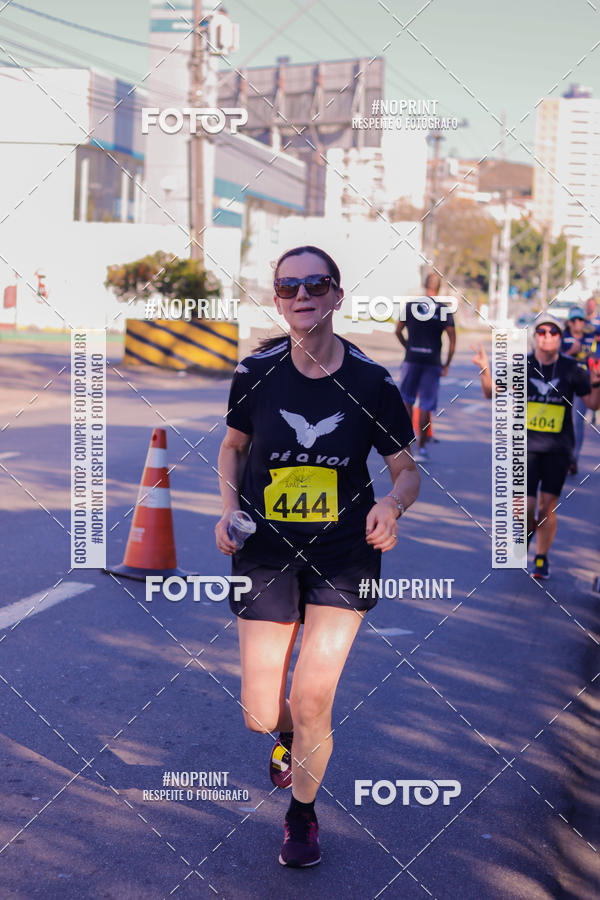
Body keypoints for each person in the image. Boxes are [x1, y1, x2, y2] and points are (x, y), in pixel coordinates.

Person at [215, 245, 420, 868]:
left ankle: (301, 816)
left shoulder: (370, 382)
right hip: (266, 549)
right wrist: (227, 508)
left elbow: (406, 471)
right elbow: (232, 447)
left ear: (335, 295)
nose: (301, 295)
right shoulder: (255, 373)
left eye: (316, 284)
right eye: (287, 286)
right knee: (260, 712)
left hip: (342, 552)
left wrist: (392, 507)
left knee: (312, 699)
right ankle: (284, 738)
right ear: (277, 298)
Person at [472, 313, 600, 578]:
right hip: (524, 447)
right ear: (535, 336)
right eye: (542, 332)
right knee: (524, 507)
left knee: (546, 508)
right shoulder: (522, 365)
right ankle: (528, 533)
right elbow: (489, 392)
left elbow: (593, 404)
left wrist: (598, 380)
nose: (547, 337)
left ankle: (541, 557)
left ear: (560, 337)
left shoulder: (571, 368)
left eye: (553, 332)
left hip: (558, 449)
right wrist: (485, 367)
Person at [395, 272, 456, 462]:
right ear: (438, 288)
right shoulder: (443, 309)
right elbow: (452, 340)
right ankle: (421, 449)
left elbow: (397, 331)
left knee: (406, 400)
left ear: (424, 285)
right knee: (425, 406)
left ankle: (405, 445)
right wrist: (446, 363)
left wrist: (408, 348)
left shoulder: (411, 306)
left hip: (412, 359)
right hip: (432, 362)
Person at [560, 306, 600, 473]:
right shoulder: (563, 338)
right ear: (569, 322)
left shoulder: (591, 338)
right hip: (565, 384)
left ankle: (573, 459)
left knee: (578, 422)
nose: (578, 323)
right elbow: (556, 359)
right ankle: (561, 455)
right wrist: (571, 352)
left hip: (584, 384)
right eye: (575, 320)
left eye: (581, 320)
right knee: (564, 421)